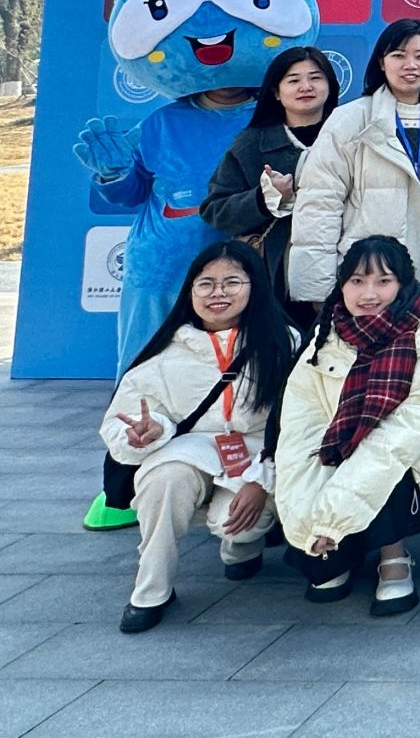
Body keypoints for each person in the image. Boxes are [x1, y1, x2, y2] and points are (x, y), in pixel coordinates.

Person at [102, 241, 297, 633]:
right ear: (190, 291)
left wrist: (262, 480)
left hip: (259, 453)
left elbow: (301, 422)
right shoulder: (166, 352)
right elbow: (122, 421)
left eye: (231, 282)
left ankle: (243, 549)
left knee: (236, 522)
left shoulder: (285, 343)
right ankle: (151, 590)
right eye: (206, 284)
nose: (217, 293)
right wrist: (149, 431)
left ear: (254, 286)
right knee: (164, 478)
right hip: (191, 451)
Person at [276, 236, 420, 616]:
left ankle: (394, 555)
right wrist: (307, 521)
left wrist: (333, 515)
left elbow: (405, 435)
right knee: (319, 566)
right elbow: (299, 433)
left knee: (389, 463)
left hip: (416, 459)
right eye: (357, 281)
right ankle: (341, 549)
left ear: (404, 284)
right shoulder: (326, 336)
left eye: (383, 281)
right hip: (339, 454)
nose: (369, 294)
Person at [288, 20, 420, 308]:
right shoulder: (350, 120)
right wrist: (318, 289)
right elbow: (319, 204)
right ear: (381, 62)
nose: (410, 65)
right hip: (368, 271)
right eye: (399, 55)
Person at [202, 46, 339, 326]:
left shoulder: (351, 138)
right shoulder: (251, 144)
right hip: (277, 281)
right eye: (293, 80)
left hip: (343, 277)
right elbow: (215, 209)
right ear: (276, 92)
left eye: (315, 78)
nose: (306, 86)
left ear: (330, 86)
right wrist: (264, 199)